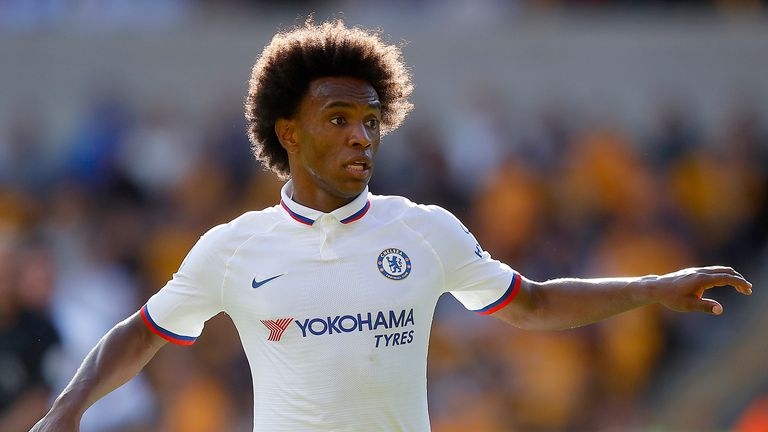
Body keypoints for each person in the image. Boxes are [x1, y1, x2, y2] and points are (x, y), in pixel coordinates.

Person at [31, 19, 753, 432]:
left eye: (372, 121)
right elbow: (142, 332)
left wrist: (655, 285)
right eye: (338, 120)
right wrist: (65, 414)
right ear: (286, 131)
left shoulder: (424, 231)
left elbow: (531, 302)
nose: (361, 137)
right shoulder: (232, 249)